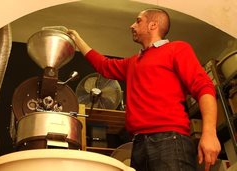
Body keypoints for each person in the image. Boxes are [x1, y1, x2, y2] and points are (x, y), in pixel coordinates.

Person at [67, 8, 221, 171]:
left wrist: (210, 133)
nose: (132, 26)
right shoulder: (133, 62)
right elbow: (104, 66)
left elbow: (204, 87)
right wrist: (77, 39)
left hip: (170, 141)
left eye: (138, 20)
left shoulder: (177, 49)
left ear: (153, 25)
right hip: (138, 145)